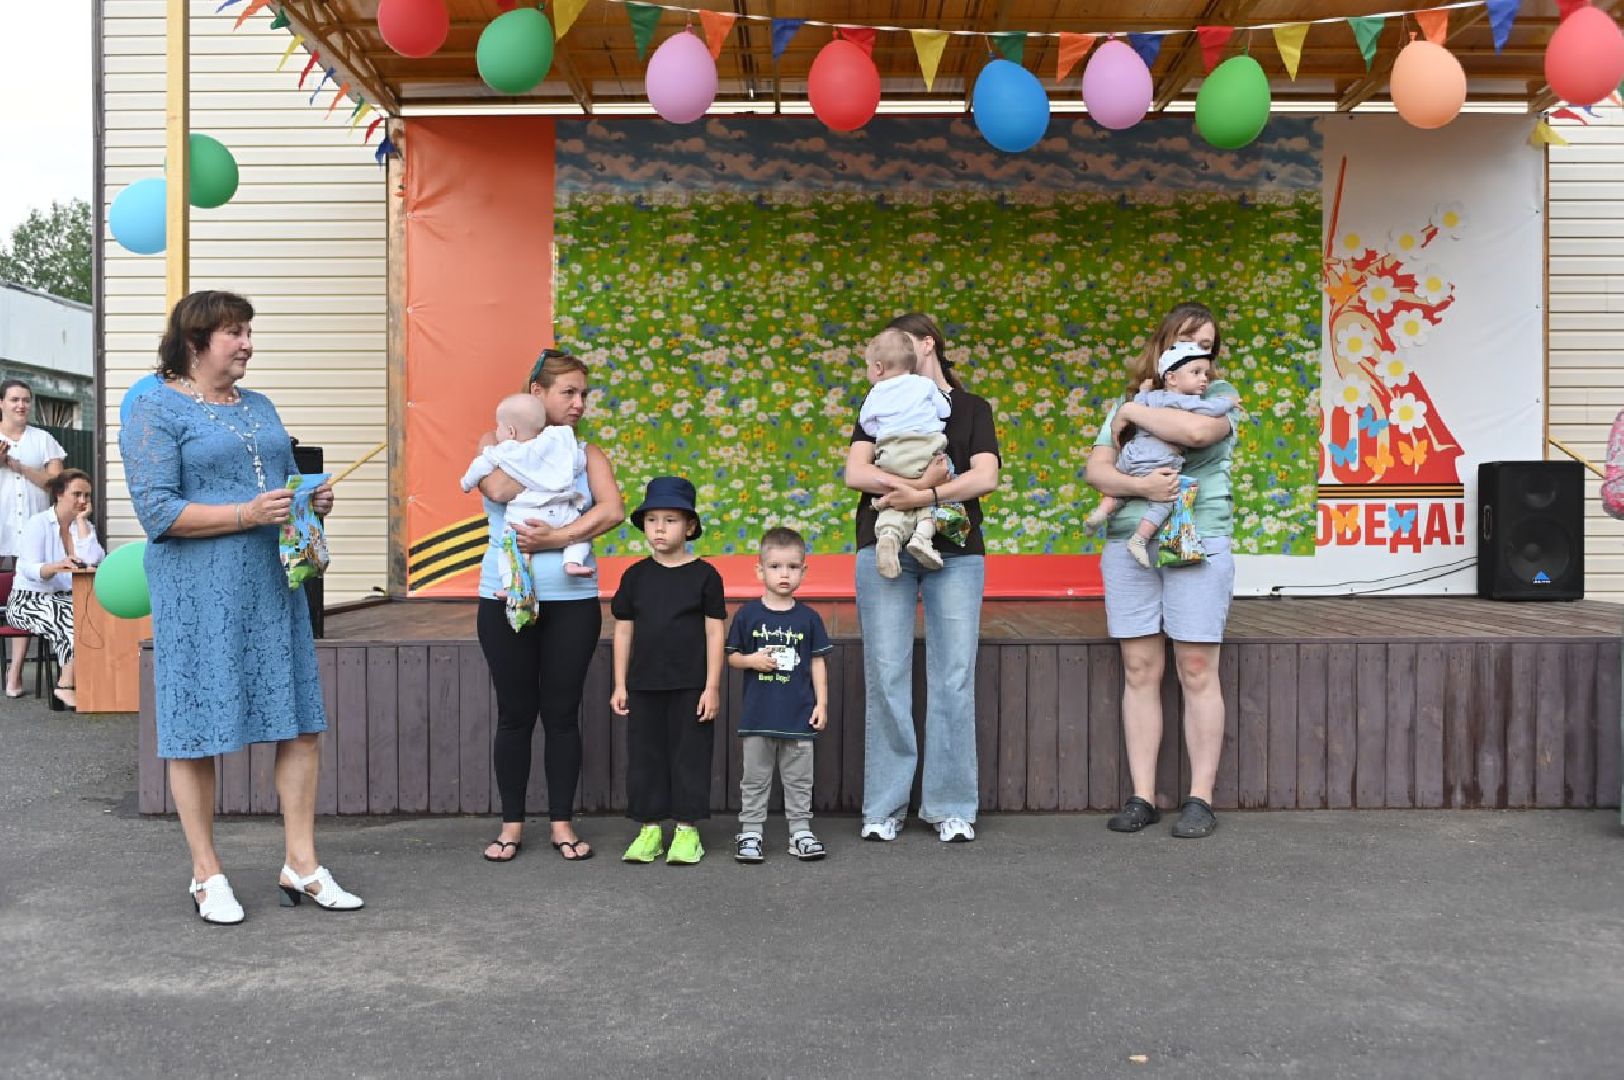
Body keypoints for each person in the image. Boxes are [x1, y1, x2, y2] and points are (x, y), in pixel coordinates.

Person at [121, 289, 362, 924]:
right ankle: (207, 875)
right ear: (195, 341)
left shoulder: (259, 404)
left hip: (271, 584)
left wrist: (309, 501)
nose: (248, 342)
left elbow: (277, 487)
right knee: (197, 730)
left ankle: (302, 865)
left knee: (300, 725)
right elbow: (158, 513)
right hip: (197, 593)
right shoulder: (152, 405)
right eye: (234, 332)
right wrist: (244, 513)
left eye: (249, 330)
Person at [1084, 301, 1243, 839]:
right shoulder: (1126, 405)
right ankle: (1142, 797)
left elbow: (1195, 434)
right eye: (1188, 340)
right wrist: (1141, 487)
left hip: (1196, 538)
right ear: (1164, 348)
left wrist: (1132, 414)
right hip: (1130, 541)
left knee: (1196, 666)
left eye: (1208, 345)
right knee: (1139, 669)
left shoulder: (1219, 399)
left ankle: (1200, 798)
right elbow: (1096, 469)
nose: (1201, 351)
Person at [845, 313, 1001, 844]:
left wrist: (925, 498)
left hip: (955, 549)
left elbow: (986, 476)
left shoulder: (971, 407)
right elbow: (855, 472)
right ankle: (884, 807)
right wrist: (913, 486)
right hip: (883, 541)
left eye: (899, 345)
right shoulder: (879, 399)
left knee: (953, 675)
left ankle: (951, 805)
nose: (888, 358)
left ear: (925, 344)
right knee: (886, 675)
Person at [475, 349, 625, 863]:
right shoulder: (495, 443)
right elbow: (496, 486)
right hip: (505, 596)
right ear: (536, 393)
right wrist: (539, 450)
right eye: (568, 392)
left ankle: (562, 822)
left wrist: (557, 535)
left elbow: (612, 510)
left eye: (584, 394)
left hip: (571, 600)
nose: (579, 403)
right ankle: (511, 825)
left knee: (562, 714)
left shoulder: (589, 455)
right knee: (515, 714)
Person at [609, 476, 725, 866]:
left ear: (690, 526)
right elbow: (623, 629)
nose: (659, 528)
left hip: (691, 684)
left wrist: (712, 687)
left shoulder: (705, 576)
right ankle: (649, 829)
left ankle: (688, 830)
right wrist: (620, 683)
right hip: (643, 683)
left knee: (689, 755)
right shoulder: (635, 576)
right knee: (645, 756)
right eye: (652, 519)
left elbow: (714, 630)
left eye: (671, 520)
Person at [725, 526, 832, 863]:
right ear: (760, 570)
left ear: (804, 570)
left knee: (800, 779)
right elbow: (732, 656)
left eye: (792, 567)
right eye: (775, 566)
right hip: (758, 717)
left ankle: (800, 832)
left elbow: (817, 663)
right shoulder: (748, 615)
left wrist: (822, 704)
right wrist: (752, 660)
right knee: (754, 779)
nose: (784, 574)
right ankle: (751, 833)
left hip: (798, 716)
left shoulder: (809, 619)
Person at [1084, 341, 1238, 568]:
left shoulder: (1151, 398)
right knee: (1167, 498)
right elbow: (1211, 411)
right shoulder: (1188, 402)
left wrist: (1142, 393)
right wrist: (1229, 403)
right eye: (1196, 373)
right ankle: (1140, 538)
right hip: (1157, 461)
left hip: (1132, 454)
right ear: (1172, 378)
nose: (1204, 378)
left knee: (1121, 485)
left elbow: (1137, 403)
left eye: (1205, 372)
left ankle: (1100, 513)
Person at [461, 393, 592, 630]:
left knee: (508, 548)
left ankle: (511, 584)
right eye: (569, 392)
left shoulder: (505, 450)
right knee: (580, 535)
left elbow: (480, 468)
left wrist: (465, 483)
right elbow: (578, 463)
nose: (579, 402)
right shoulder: (560, 440)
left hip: (526, 516)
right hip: (561, 510)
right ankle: (572, 561)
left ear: (510, 431)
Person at [859, 329, 953, 577]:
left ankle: (889, 534)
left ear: (878, 368)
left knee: (895, 497)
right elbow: (945, 411)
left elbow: (867, 424)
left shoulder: (875, 393)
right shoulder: (924, 385)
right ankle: (923, 536)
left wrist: (885, 429)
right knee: (940, 493)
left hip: (893, 455)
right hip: (926, 451)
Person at [6, 469, 103, 710]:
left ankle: (89, 681)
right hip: (27, 601)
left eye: (87, 496)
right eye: (77, 494)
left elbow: (93, 561)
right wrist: (54, 566)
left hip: (66, 599)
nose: (83, 501)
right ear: (59, 494)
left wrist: (81, 522)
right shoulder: (38, 523)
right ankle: (65, 686)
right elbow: (27, 568)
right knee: (72, 618)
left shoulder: (85, 525)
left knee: (92, 616)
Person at [0, 379, 66, 697]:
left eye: (26, 400)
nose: (21, 405)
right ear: (1, 403)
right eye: (14, 399)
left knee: (26, 597)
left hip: (33, 538)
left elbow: (56, 484)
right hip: (1, 531)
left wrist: (14, 465)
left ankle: (14, 675)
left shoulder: (43, 440)